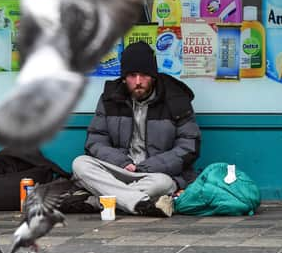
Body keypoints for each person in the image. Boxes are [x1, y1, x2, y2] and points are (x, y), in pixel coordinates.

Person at [70, 41, 201, 217]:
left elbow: (189, 146)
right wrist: (122, 162)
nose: (138, 82)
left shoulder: (176, 99)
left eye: (144, 75)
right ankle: (139, 202)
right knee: (80, 164)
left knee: (163, 183)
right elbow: (95, 141)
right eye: (132, 75)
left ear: (153, 76)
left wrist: (150, 166)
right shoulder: (110, 99)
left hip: (155, 174)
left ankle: (101, 200)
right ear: (124, 78)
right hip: (119, 170)